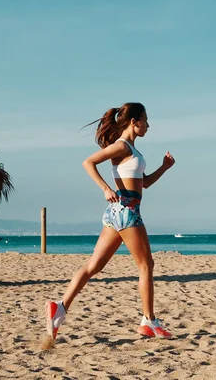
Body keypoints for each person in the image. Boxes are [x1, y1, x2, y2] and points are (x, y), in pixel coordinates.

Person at [45, 102, 176, 341]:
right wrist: (105, 188)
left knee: (93, 266)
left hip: (117, 212)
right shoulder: (122, 146)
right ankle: (149, 320)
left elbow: (144, 183)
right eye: (145, 120)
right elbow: (89, 162)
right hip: (127, 211)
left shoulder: (131, 150)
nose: (148, 125)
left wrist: (164, 168)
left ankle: (60, 308)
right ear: (134, 122)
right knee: (146, 265)